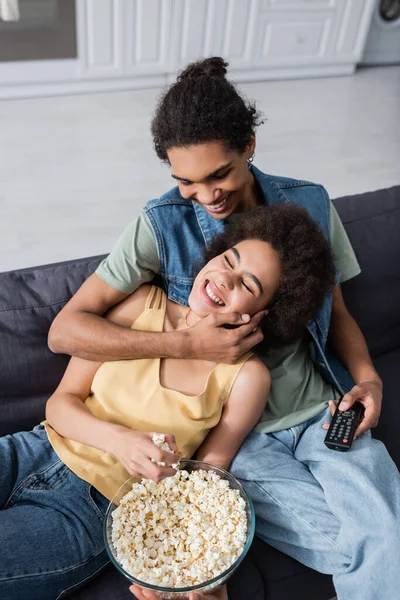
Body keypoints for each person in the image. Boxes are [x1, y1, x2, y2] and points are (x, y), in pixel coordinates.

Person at [47, 57, 400, 599]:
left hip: (324, 411)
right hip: (241, 433)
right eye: (185, 181)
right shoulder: (158, 224)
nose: (206, 195)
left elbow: (340, 315)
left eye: (219, 174)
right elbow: (65, 331)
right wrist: (184, 343)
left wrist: (368, 379)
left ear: (249, 146)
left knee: (384, 532)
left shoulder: (308, 204)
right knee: (364, 541)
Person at [0, 206, 335, 600]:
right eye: (229, 260)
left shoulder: (248, 378)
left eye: (247, 284)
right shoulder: (141, 305)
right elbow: (60, 403)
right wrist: (120, 441)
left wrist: (210, 575)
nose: (224, 278)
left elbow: (210, 479)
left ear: (261, 314)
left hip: (88, 511)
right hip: (29, 450)